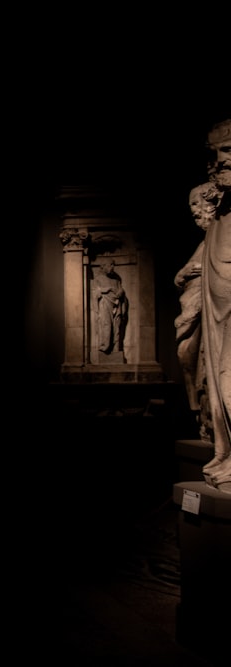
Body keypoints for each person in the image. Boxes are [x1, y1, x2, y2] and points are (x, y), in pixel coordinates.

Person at [199, 119, 231, 490]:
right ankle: (226, 452)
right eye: (217, 153)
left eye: (229, 150)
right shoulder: (219, 214)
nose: (221, 160)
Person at [175, 181, 220, 437]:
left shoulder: (221, 238)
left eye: (196, 203)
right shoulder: (205, 243)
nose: (194, 211)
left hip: (216, 314)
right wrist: (183, 274)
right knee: (186, 354)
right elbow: (181, 276)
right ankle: (202, 413)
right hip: (196, 313)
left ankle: (211, 420)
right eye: (191, 205)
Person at [92, 258, 127, 355]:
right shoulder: (98, 279)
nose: (113, 267)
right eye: (110, 265)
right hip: (105, 305)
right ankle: (105, 347)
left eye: (113, 265)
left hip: (116, 305)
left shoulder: (116, 280)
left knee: (117, 327)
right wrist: (106, 289)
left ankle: (116, 348)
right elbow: (95, 293)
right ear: (104, 266)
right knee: (106, 325)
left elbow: (121, 290)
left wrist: (121, 292)